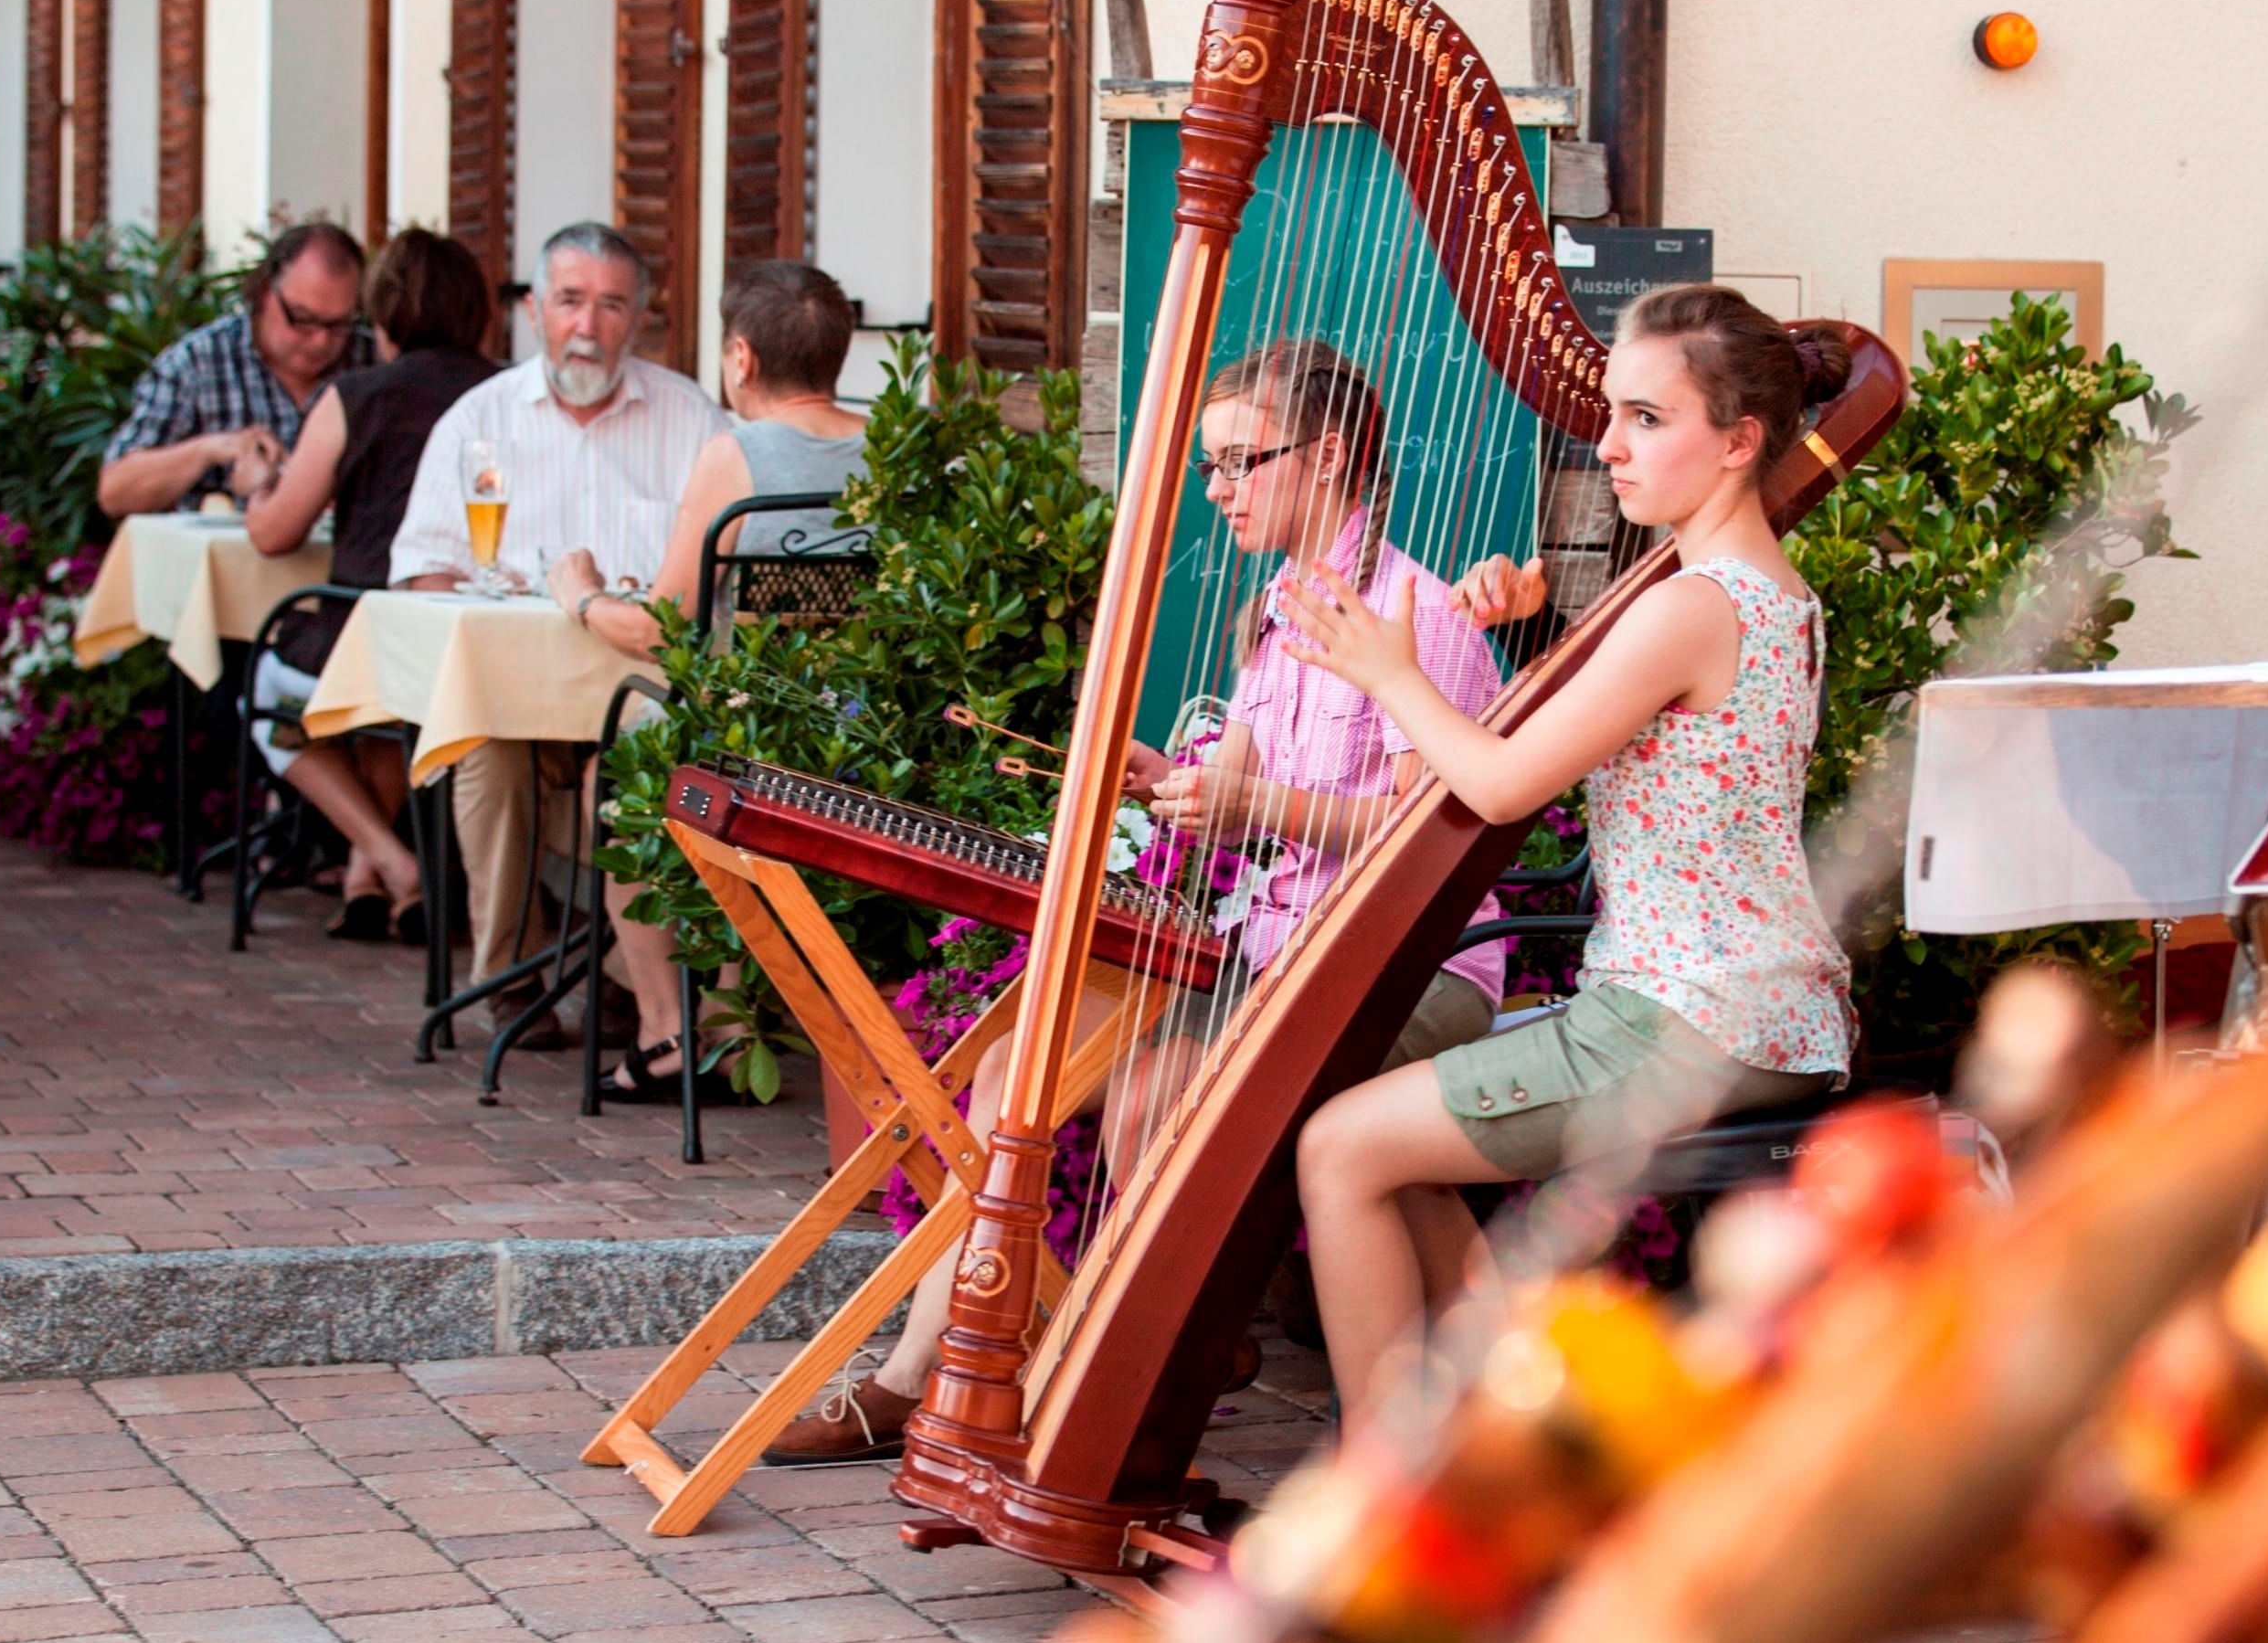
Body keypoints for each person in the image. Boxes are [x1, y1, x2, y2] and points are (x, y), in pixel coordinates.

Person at [765, 335, 1519, 1462]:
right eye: (1209, 468)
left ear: (1331, 456)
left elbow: (1433, 837)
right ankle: (921, 1372)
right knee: (1020, 1060)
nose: (1217, 491)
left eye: (1242, 463)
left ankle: (1139, 1361)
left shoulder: (1420, 614)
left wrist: (1251, 800)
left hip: (1400, 966)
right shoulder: (1283, 610)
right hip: (1270, 957)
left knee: (1151, 1091)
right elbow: (1250, 786)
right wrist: (1171, 780)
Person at [1278, 283, 1856, 1418]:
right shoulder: (1770, 595)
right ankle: (1508, 1433)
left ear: (1738, 442)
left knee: (1340, 1146)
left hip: (1682, 1016)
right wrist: (1528, 633)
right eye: (1609, 413)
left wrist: (1391, 671)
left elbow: (1497, 785)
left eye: (1647, 418)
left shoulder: (1688, 605)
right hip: (1761, 1005)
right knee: (1393, 1133)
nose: (1608, 447)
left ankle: (1379, 1501)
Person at [389, 221, 726, 1045]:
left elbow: (719, 582)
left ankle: (619, 976)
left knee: (644, 773)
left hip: (644, 699)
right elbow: (419, 570)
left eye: (612, 306)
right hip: (521, 700)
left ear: (640, 318)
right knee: (485, 749)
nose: (589, 325)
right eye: (571, 302)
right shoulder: (482, 418)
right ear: (535, 310)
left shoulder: (689, 419)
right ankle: (512, 976)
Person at [545, 259, 868, 1100]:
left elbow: (663, 629)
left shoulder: (738, 453)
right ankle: (727, 1016)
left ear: (741, 358)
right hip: (868, 733)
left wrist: (579, 595)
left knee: (613, 778)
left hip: (751, 733)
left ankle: (668, 1029)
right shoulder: (890, 442)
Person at [234, 228, 501, 941]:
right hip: (474, 630)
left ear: (382, 317)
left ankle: (391, 862)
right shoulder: (505, 396)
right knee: (387, 709)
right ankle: (365, 873)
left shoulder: (355, 395)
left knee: (271, 694)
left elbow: (274, 532)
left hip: (364, 628)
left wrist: (257, 483)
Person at [99, 221, 374, 518]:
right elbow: (115, 491)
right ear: (267, 293)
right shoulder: (197, 363)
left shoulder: (375, 363)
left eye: (339, 325)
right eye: (302, 319)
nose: (320, 341)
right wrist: (209, 449)